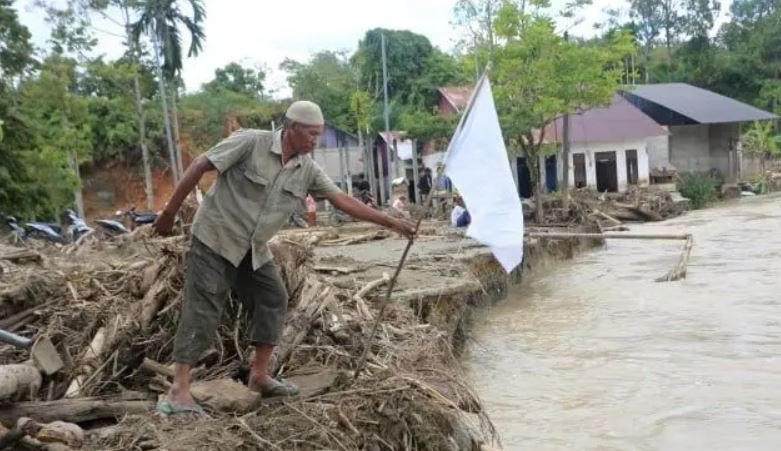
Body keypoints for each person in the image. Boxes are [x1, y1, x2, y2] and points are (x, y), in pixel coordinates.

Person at [152, 100, 415, 415]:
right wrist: (169, 213)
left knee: (273, 296)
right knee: (203, 308)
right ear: (292, 129)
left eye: (319, 135)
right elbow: (199, 165)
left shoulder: (307, 170)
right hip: (215, 238)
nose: (315, 142)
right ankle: (179, 391)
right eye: (312, 134)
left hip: (253, 249)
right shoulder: (251, 142)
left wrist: (392, 222)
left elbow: (342, 200)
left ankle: (259, 376)